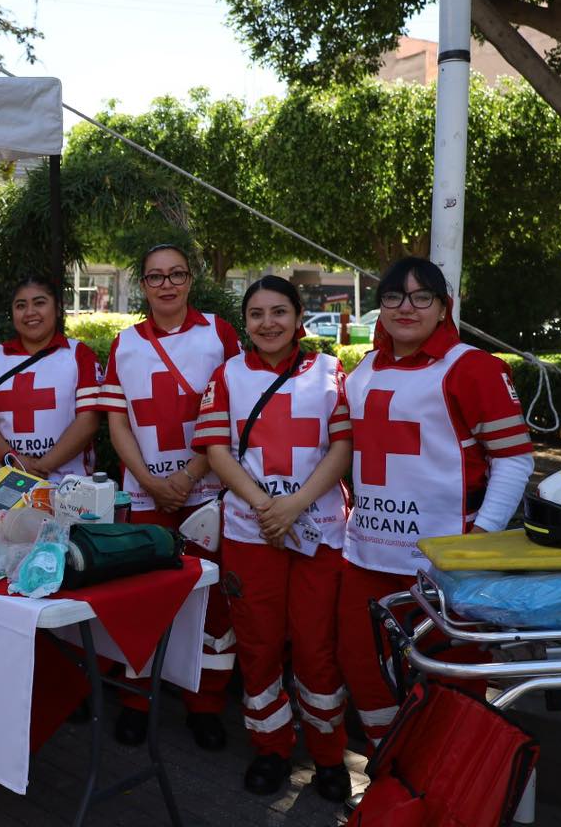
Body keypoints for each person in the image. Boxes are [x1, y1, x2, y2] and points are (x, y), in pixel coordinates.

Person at [337, 256, 534, 751]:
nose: (407, 308)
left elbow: (513, 460)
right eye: (393, 297)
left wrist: (479, 541)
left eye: (421, 297)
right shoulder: (363, 369)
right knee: (366, 669)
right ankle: (390, 770)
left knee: (455, 680)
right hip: (366, 554)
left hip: (444, 562)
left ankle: (444, 789)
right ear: (379, 306)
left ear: (444, 307)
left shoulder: (473, 367)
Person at [194, 275, 351, 800]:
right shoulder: (227, 374)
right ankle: (271, 750)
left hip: (319, 532)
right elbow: (216, 450)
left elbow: (343, 447)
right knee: (258, 647)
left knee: (316, 647)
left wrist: (295, 505)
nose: (268, 323)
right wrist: (267, 508)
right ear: (246, 322)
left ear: (299, 317)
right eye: (257, 314)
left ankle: (329, 757)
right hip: (249, 532)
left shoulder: (332, 372)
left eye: (278, 311)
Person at [96, 244, 241, 749]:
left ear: (190, 279)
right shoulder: (125, 344)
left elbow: (234, 411)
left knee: (212, 606)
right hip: (144, 493)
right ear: (143, 284)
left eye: (176, 274)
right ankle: (136, 699)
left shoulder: (218, 334)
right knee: (143, 602)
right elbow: (117, 423)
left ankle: (206, 705)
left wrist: (189, 474)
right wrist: (154, 482)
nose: (166, 285)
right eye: (155, 276)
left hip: (208, 493)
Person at [0, 276, 102, 480]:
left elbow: (89, 420)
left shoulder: (79, 355)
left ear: (57, 308)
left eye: (39, 303)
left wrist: (41, 467)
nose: (30, 312)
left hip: (68, 487)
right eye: (21, 305)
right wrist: (14, 460)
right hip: (4, 485)